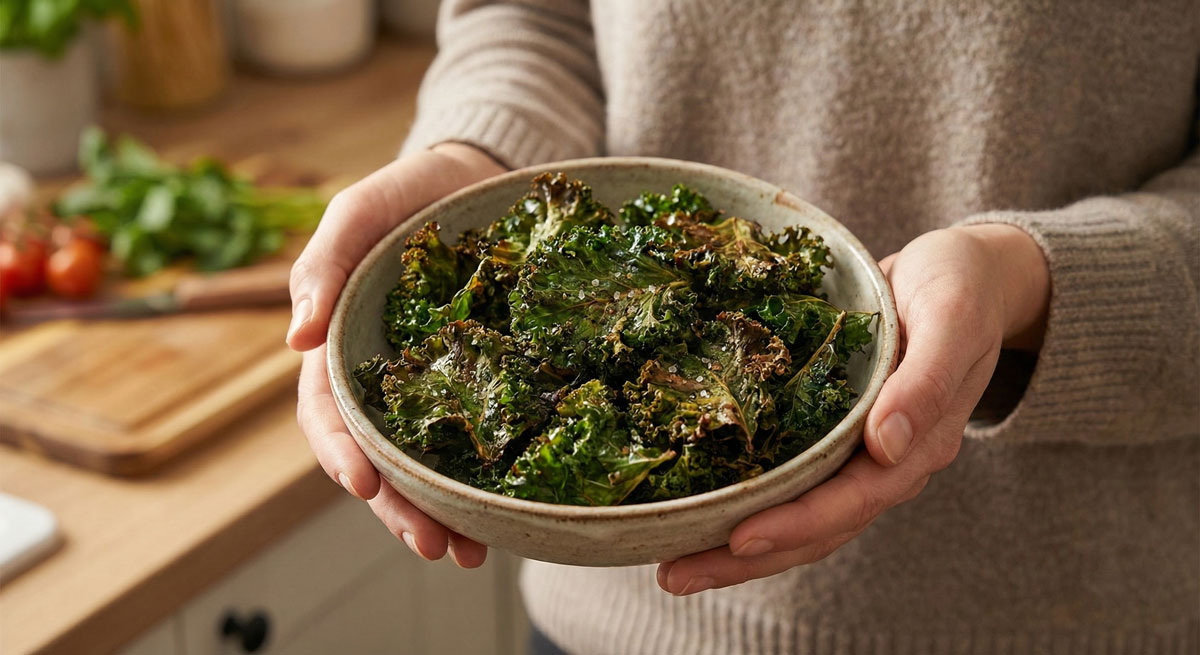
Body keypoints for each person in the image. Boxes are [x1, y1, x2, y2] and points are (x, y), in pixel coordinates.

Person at [287, 2, 1200, 653]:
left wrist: (1017, 282)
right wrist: (477, 153)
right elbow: (533, 18)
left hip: (1060, 610)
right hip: (601, 614)